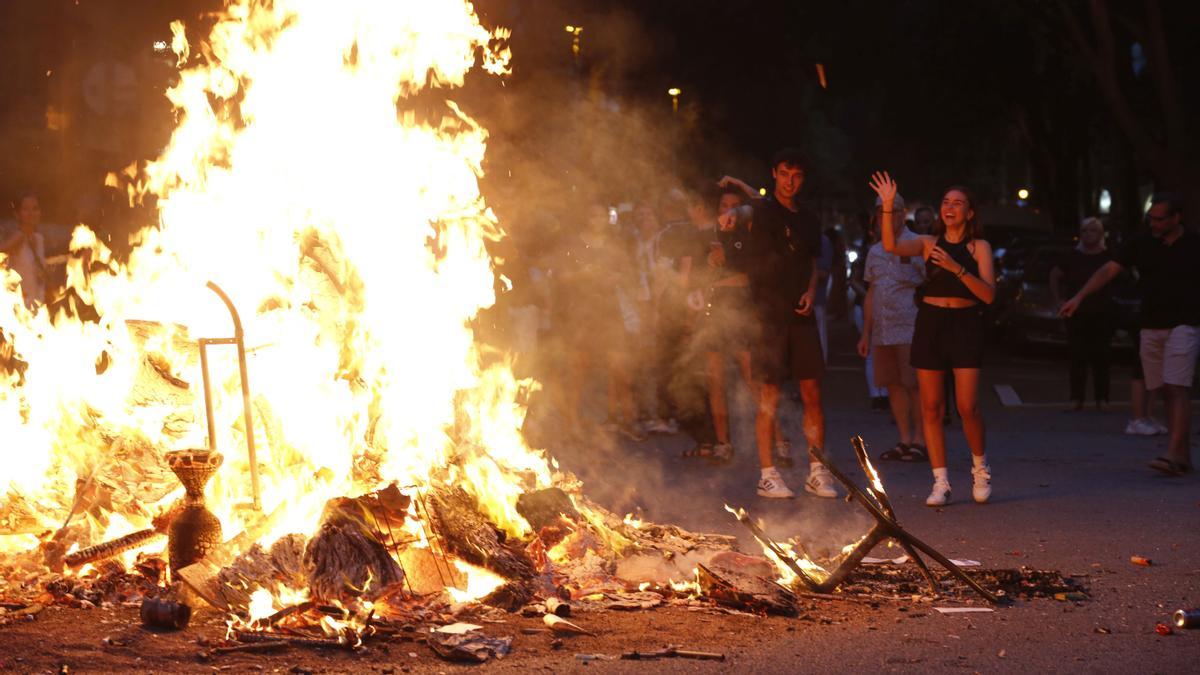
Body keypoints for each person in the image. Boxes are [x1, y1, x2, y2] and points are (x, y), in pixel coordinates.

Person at [870, 172, 996, 506]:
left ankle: (980, 468)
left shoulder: (979, 247)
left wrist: (957, 268)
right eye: (945, 202)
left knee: (967, 406)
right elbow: (890, 245)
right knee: (931, 407)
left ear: (970, 213)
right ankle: (940, 481)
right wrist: (886, 207)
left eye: (958, 203)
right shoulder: (928, 243)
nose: (950, 207)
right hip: (931, 322)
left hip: (966, 323)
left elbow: (988, 295)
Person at [718, 149, 837, 499]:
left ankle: (817, 471)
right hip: (768, 316)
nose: (790, 181)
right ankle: (767, 475)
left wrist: (812, 291)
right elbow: (745, 208)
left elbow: (813, 264)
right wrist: (731, 215)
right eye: (785, 173)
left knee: (812, 392)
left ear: (803, 179)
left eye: (797, 175)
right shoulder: (763, 210)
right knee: (769, 394)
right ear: (774, 174)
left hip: (801, 316)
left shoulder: (809, 219)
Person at [1061, 193, 1199, 475]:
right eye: (1152, 218)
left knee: (1177, 386)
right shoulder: (1141, 242)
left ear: (1177, 218)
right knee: (1162, 389)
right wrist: (1079, 297)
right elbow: (1108, 270)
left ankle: (1173, 453)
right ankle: (1182, 455)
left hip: (1185, 323)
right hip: (1151, 324)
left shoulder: (1194, 244)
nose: (1155, 224)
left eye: (1161, 219)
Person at [857, 193, 927, 462]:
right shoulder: (875, 251)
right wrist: (866, 332)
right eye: (883, 213)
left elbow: (926, 281)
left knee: (914, 385)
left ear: (903, 213)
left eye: (894, 211)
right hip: (883, 330)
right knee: (893, 385)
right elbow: (871, 292)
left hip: (910, 326)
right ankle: (905, 439)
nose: (888, 217)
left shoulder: (916, 244)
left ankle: (921, 439)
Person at [697, 185, 755, 464]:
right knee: (715, 378)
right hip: (714, 311)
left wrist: (723, 268)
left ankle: (778, 440)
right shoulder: (710, 237)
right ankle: (722, 442)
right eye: (723, 206)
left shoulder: (750, 236)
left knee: (752, 376)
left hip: (741, 311)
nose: (727, 211)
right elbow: (697, 278)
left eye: (734, 206)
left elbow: (748, 278)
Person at [1049, 217, 1115, 411]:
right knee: (1077, 356)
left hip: (1102, 312)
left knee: (1102, 357)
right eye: (1085, 230)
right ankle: (1076, 398)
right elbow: (1054, 274)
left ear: (1101, 234)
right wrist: (1058, 300)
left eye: (1093, 230)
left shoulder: (1108, 257)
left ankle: (1102, 399)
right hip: (1076, 314)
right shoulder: (1072, 257)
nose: (1089, 234)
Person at [849, 212, 889, 409]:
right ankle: (877, 394)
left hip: (888, 307)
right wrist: (869, 296)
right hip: (865, 305)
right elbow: (853, 280)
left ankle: (888, 391)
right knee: (871, 350)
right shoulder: (866, 252)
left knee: (888, 350)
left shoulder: (898, 250)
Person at [1, 193, 47, 309]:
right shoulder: (18, 237)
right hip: (17, 306)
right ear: (17, 214)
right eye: (26, 209)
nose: (31, 213)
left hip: (36, 303)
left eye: (35, 209)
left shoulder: (39, 238)